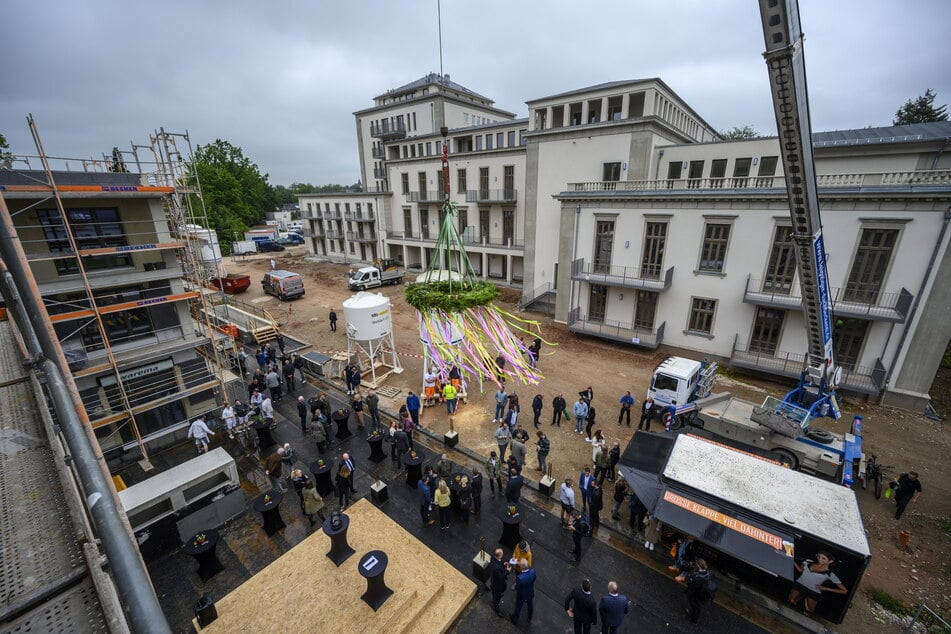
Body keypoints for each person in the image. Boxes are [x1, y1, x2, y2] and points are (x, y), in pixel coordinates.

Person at [786, 551, 847, 617]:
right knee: (790, 602)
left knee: (809, 612)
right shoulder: (808, 562)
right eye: (818, 557)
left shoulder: (830, 574)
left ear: (830, 561)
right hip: (799, 585)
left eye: (823, 558)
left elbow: (844, 591)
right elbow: (801, 570)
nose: (819, 559)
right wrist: (792, 561)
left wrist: (825, 588)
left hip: (813, 592)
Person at [683, 558, 716, 624]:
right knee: (698, 607)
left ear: (698, 565)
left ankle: (693, 620)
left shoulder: (698, 577)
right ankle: (694, 615)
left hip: (697, 595)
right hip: (703, 595)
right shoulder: (709, 573)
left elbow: (691, 585)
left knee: (695, 607)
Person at [509, 559, 536, 625]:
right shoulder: (533, 572)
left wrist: (514, 587)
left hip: (522, 596)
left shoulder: (520, 578)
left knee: (518, 607)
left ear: (521, 567)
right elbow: (534, 579)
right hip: (530, 592)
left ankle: (515, 619)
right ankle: (529, 617)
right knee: (530, 605)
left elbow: (517, 587)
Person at [488, 549, 509, 616]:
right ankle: (496, 609)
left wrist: (503, 564)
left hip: (494, 582)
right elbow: (501, 577)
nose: (503, 555)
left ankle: (495, 597)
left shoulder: (494, 559)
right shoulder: (496, 568)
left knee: (495, 593)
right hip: (497, 585)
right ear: (499, 555)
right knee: (496, 598)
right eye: (502, 554)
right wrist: (507, 571)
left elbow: (499, 563)